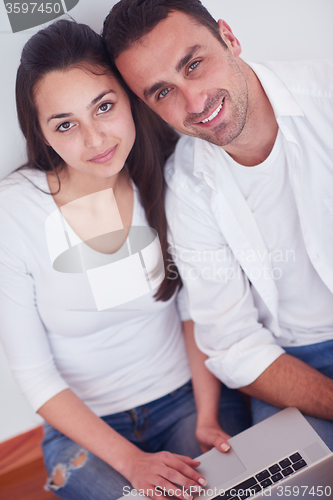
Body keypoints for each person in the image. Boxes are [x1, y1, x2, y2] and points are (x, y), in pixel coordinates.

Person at [0, 19, 251, 500]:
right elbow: (34, 375)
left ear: (129, 98)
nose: (95, 140)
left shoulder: (170, 176)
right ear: (42, 133)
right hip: (86, 428)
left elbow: (192, 311)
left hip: (186, 400)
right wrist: (133, 463)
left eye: (105, 107)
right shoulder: (15, 212)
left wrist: (206, 416)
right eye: (66, 124)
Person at [102, 0, 333, 450]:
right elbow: (234, 344)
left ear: (229, 37)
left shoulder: (327, 99)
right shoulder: (187, 189)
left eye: (193, 65)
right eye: (162, 92)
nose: (193, 102)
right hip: (290, 364)